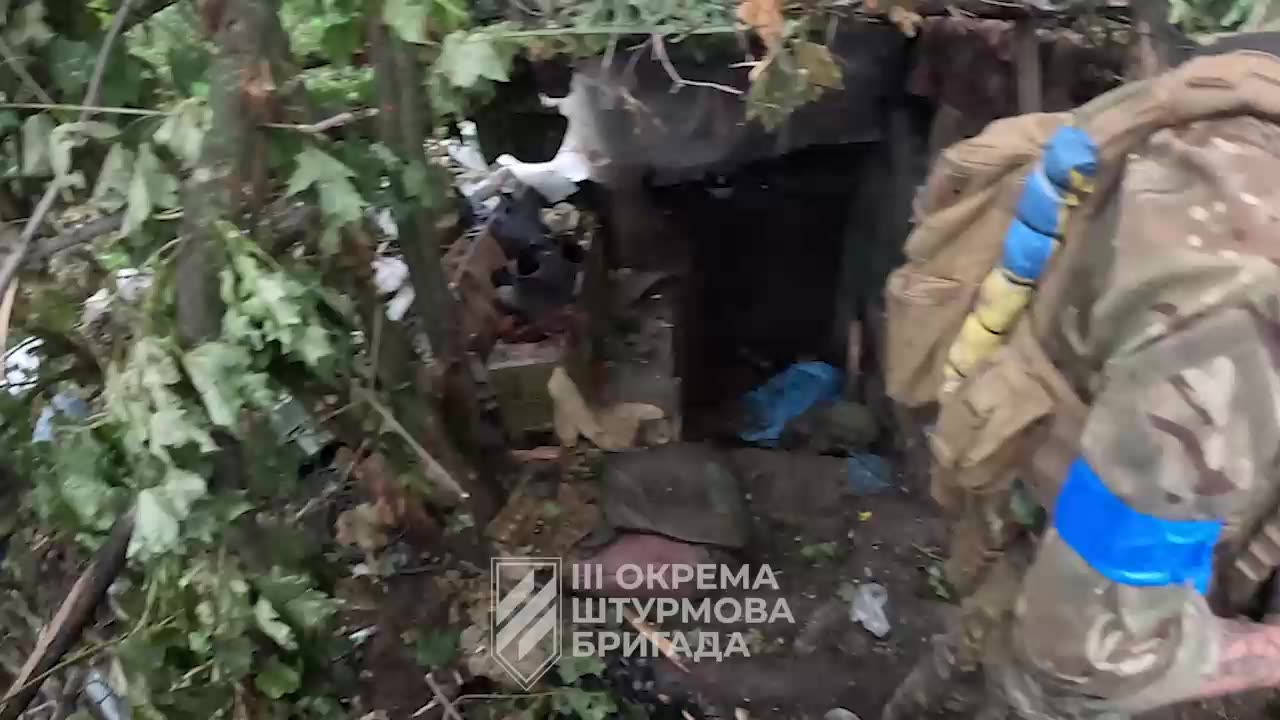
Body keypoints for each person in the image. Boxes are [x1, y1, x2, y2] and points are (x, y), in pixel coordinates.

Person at [881, 47, 1280, 719]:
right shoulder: (1244, 274)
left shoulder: (1231, 101)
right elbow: (1088, 656)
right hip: (1076, 638)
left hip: (1034, 570)